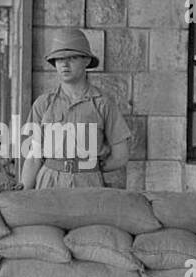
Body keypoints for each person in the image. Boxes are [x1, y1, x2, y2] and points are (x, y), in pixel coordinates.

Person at [19, 29, 131, 189]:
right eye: (59, 59)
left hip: (88, 184)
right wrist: (23, 193)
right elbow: (33, 157)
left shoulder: (102, 104)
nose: (64, 64)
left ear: (86, 60)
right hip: (49, 182)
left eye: (72, 58)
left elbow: (121, 155)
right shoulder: (43, 104)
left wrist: (91, 167)